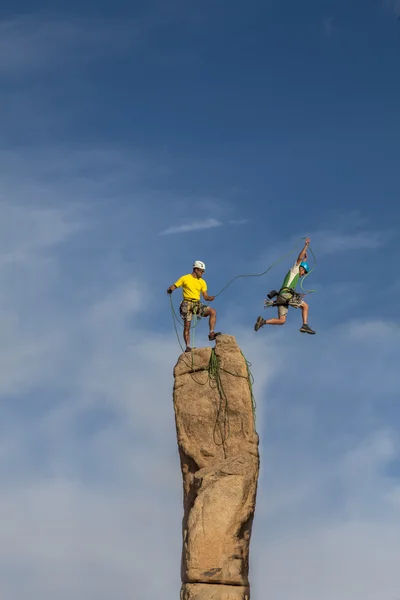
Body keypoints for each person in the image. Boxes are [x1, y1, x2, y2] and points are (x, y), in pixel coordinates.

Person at [254, 238, 316, 335]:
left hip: (281, 298)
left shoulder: (295, 273)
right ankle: (305, 325)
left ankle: (263, 322)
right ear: (301, 268)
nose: (303, 274)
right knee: (305, 306)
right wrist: (306, 247)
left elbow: (301, 261)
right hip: (286, 295)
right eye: (304, 271)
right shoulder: (295, 269)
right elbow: (299, 259)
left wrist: (305, 260)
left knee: (282, 320)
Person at [167, 260, 221, 352]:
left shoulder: (202, 282)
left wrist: (209, 298)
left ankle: (211, 333)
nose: (203, 273)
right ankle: (188, 346)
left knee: (213, 312)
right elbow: (175, 286)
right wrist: (170, 289)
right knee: (187, 325)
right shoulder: (185, 278)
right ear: (196, 269)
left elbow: (205, 296)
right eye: (201, 271)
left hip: (197, 304)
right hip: (186, 303)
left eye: (203, 271)